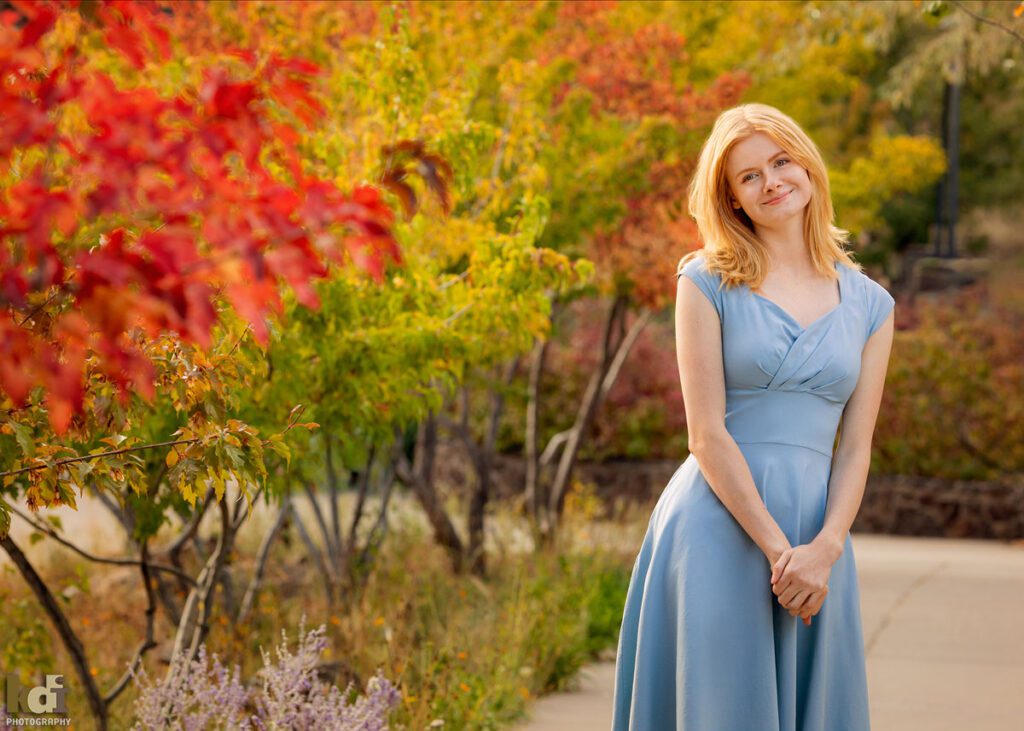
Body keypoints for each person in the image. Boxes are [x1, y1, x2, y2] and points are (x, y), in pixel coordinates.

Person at [610, 103, 895, 731]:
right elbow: (706, 435)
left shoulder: (873, 304)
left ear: (807, 166)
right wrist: (779, 553)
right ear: (732, 198)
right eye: (749, 176)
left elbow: (856, 450)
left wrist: (822, 551)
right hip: (719, 526)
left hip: (818, 539)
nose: (771, 182)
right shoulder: (705, 281)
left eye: (781, 161)